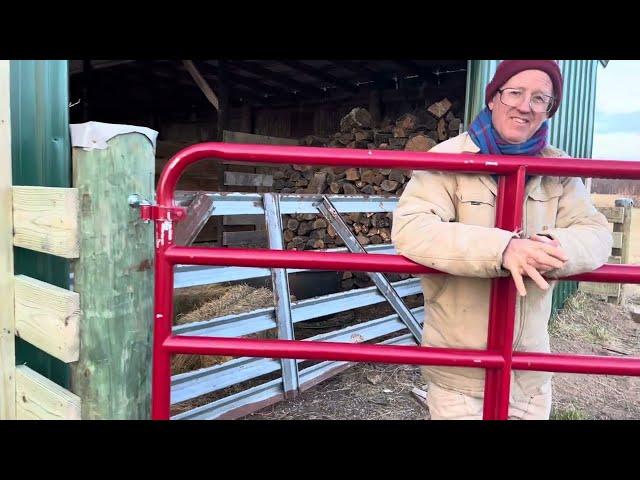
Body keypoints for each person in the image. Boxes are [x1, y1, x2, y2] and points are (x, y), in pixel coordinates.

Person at [391, 60, 613, 420]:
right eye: (515, 92)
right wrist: (503, 249)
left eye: (540, 98)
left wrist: (551, 247)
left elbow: (597, 234)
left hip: (529, 373)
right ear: (493, 98)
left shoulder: (558, 170)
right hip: (459, 373)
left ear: (550, 109)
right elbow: (412, 228)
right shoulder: (448, 159)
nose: (525, 106)